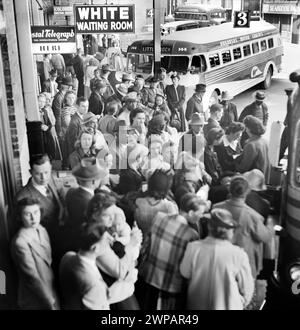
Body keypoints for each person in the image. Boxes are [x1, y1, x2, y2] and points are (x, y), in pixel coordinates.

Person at [137, 193, 205, 310]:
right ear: (191, 213)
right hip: (171, 286)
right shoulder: (191, 235)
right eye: (200, 213)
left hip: (149, 276)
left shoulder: (159, 217)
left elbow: (146, 245)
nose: (201, 216)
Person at [180, 208, 254, 310]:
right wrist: (240, 302)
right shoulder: (239, 255)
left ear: (209, 227)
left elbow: (184, 272)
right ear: (230, 230)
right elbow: (247, 289)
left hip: (196, 305)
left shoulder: (193, 247)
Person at [59, 222, 136, 310]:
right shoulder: (95, 286)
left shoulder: (67, 256)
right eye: (106, 239)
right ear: (95, 248)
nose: (111, 239)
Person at [213, 175, 273, 279]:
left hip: (218, 260)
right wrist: (270, 227)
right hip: (243, 265)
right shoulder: (253, 216)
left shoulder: (216, 208)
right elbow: (265, 237)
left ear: (229, 189)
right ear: (247, 192)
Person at [11, 198, 60, 310]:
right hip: (35, 297)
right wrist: (49, 300)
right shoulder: (20, 242)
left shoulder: (41, 229)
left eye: (36, 212)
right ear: (19, 216)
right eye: (28, 214)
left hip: (50, 288)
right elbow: (31, 277)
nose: (33, 218)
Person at [15, 154, 65, 239]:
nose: (44, 178)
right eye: (38, 174)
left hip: (62, 231)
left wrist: (64, 207)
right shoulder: (22, 196)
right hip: (45, 238)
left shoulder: (51, 179)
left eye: (46, 172)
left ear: (50, 168)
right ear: (31, 172)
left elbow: (60, 190)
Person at [134, 169, 178, 237]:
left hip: (141, 240)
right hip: (159, 242)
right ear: (166, 188)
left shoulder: (138, 202)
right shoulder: (169, 207)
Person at [235, 115, 270, 181]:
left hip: (252, 180)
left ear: (248, 129)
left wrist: (235, 163)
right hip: (262, 179)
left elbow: (244, 167)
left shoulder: (251, 145)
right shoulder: (265, 141)